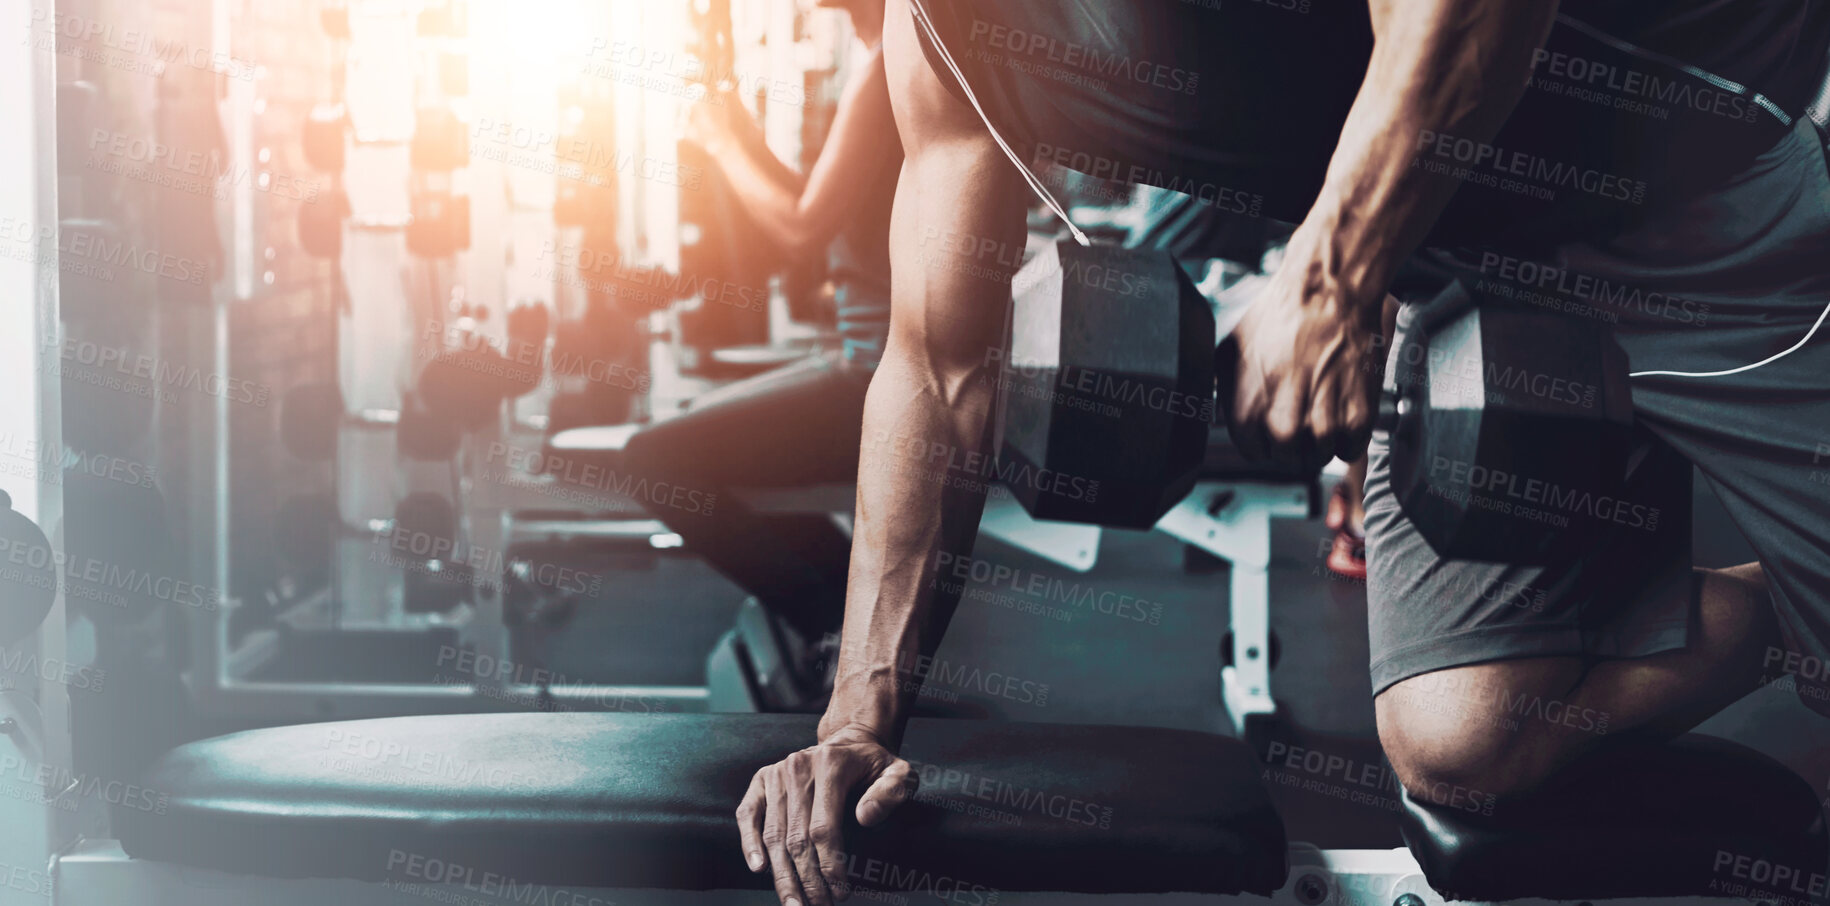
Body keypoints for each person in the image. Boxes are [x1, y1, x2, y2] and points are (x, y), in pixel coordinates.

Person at [731, 0, 1830, 903]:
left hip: (1714, 219)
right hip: (1459, 268)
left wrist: (1329, 278)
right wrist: (855, 726)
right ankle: (1796, 613)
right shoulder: (948, 46)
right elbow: (938, 366)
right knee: (1468, 742)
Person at [617, 0, 901, 679]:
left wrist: (720, 141)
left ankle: (840, 630)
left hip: (881, 374)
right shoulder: (881, 58)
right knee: (680, 431)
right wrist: (735, 121)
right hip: (869, 357)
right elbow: (818, 201)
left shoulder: (890, 65)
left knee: (653, 460)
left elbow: (802, 229)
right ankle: (853, 619)